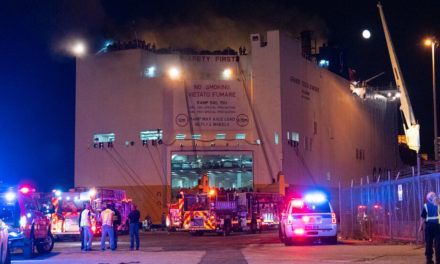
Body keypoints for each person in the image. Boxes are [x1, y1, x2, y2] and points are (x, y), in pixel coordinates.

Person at [419, 192, 440, 264]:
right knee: (438, 244)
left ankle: (429, 260)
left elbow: (423, 217)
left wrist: (420, 226)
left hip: (429, 226)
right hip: (438, 226)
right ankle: (438, 261)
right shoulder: (438, 204)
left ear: (428, 199)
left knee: (429, 243)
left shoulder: (426, 205)